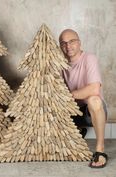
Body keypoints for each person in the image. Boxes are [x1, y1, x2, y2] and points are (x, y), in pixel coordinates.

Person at [59, 29, 108, 168]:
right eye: (63, 43)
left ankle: (100, 150)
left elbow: (94, 89)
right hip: (72, 112)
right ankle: (78, 131)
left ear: (79, 43)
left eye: (72, 41)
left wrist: (69, 95)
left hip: (90, 112)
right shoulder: (61, 64)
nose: (68, 46)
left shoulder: (89, 58)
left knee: (94, 99)